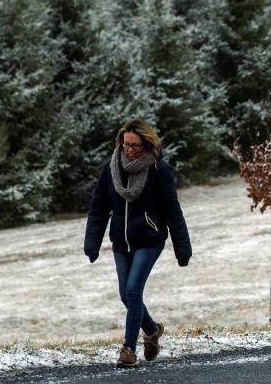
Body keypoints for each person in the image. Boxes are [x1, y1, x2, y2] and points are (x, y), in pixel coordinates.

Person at [84, 119, 193, 368]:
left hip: (149, 240)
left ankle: (128, 349)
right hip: (121, 243)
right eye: (126, 145)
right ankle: (152, 330)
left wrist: (182, 249)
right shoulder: (111, 169)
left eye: (135, 146)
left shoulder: (159, 170)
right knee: (125, 295)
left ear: (146, 144)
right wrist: (92, 242)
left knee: (133, 290)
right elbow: (98, 208)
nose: (129, 150)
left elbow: (173, 211)